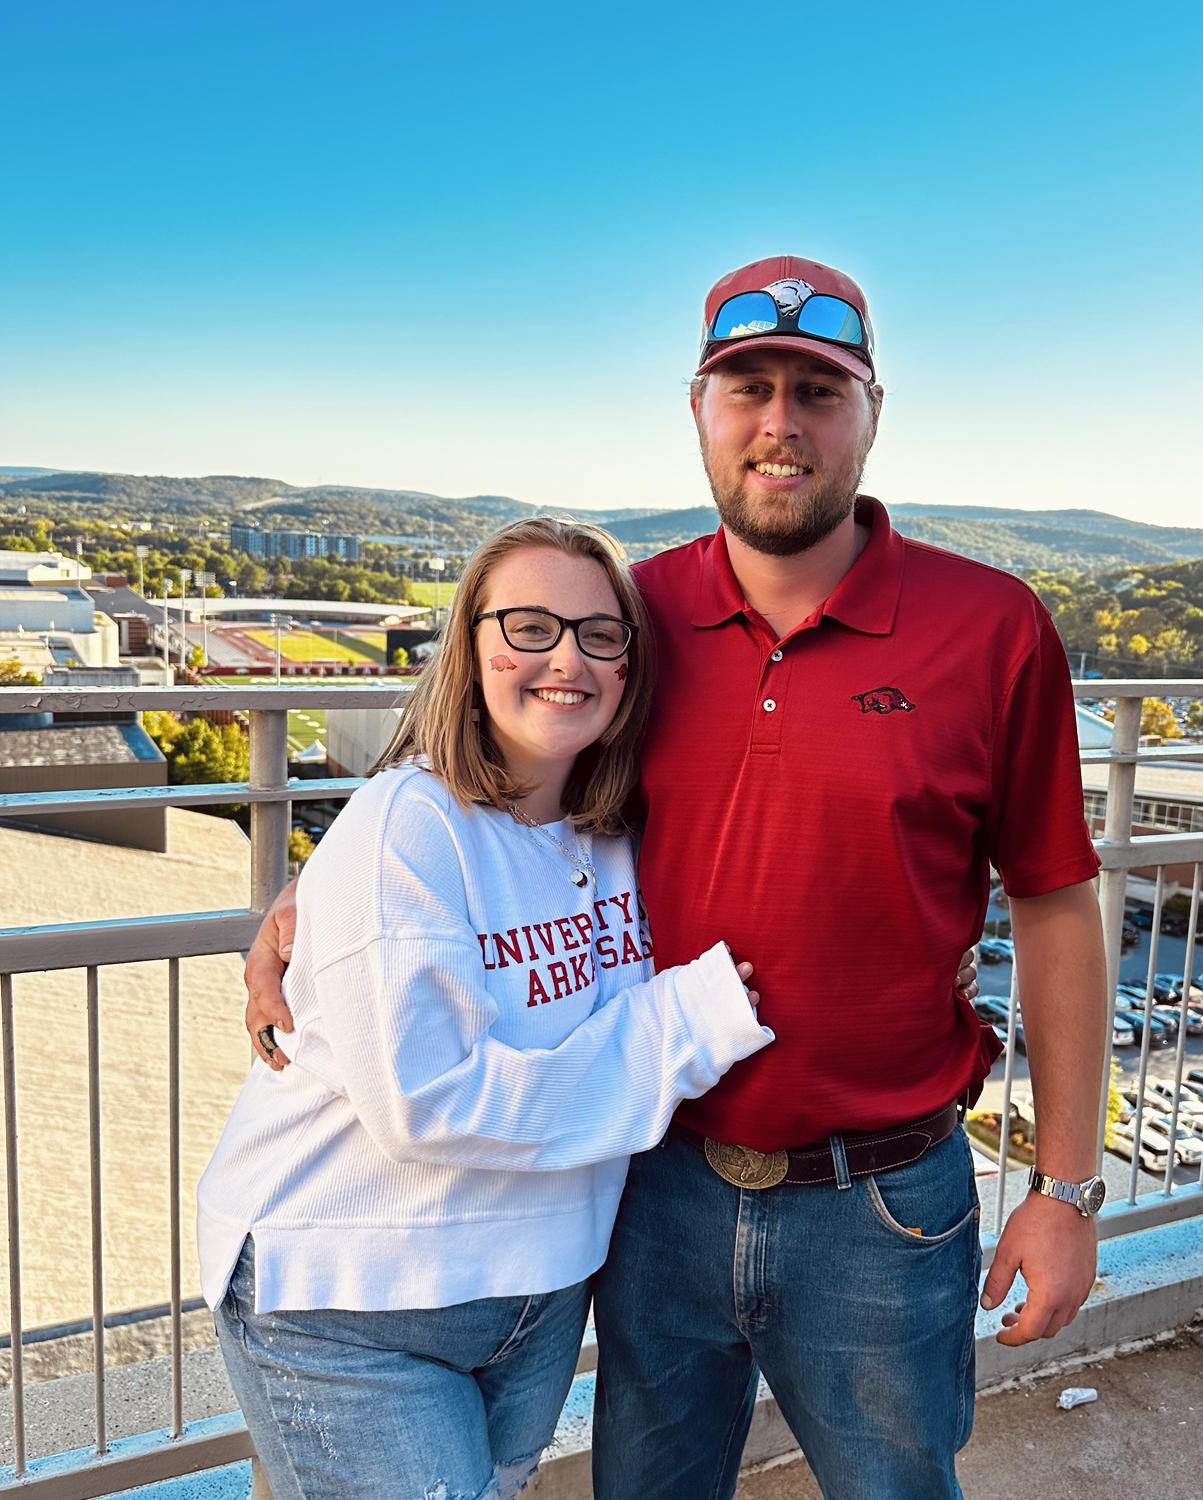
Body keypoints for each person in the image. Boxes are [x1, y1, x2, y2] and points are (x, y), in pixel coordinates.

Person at [245, 256, 1108, 1499]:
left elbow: (1055, 899)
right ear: (699, 410)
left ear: (871, 413)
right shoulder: (625, 623)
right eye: (747, 388)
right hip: (654, 1183)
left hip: (882, 1204)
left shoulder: (992, 627)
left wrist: (1067, 1188)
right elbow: (481, 776)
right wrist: (310, 903)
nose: (780, 423)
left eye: (819, 391)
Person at [202, 517, 773, 1499]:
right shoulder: (406, 829)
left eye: (600, 635)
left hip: (539, 1291)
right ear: (468, 645)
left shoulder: (620, 830)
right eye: (529, 627)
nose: (568, 660)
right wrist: (684, 1024)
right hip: (349, 1296)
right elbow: (428, 1100)